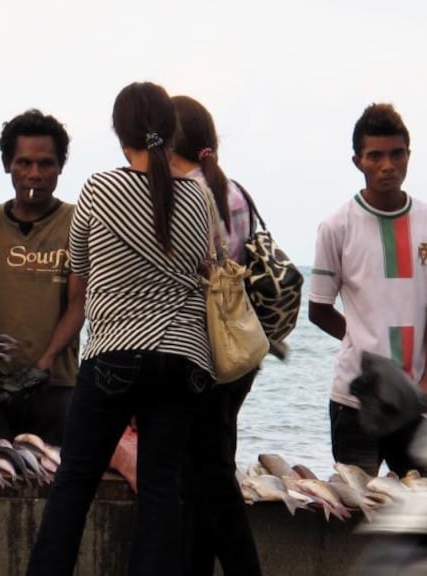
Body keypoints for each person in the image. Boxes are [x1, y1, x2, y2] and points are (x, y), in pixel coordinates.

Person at [26, 82, 214, 576]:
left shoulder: (98, 189)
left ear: (118, 132)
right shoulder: (199, 198)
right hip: (182, 357)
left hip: (113, 352)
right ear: (172, 130)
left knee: (75, 484)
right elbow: (205, 270)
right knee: (161, 490)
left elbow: (81, 274)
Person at [309, 103, 427, 480]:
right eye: (375, 156)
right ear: (358, 160)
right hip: (355, 399)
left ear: (409, 156)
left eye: (396, 154)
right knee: (356, 510)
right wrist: (360, 340)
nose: (387, 165)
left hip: (415, 399)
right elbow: (319, 308)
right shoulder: (336, 226)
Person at [169, 94, 262, 576]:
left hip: (197, 355)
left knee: (207, 482)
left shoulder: (184, 195)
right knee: (208, 473)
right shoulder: (235, 191)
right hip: (236, 355)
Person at [0, 109, 84, 445]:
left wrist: (45, 363)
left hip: (56, 385)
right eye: (24, 163)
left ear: (60, 167)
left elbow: (79, 303)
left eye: (46, 164)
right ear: (7, 165)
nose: (34, 174)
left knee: (54, 483)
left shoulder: (78, 223)